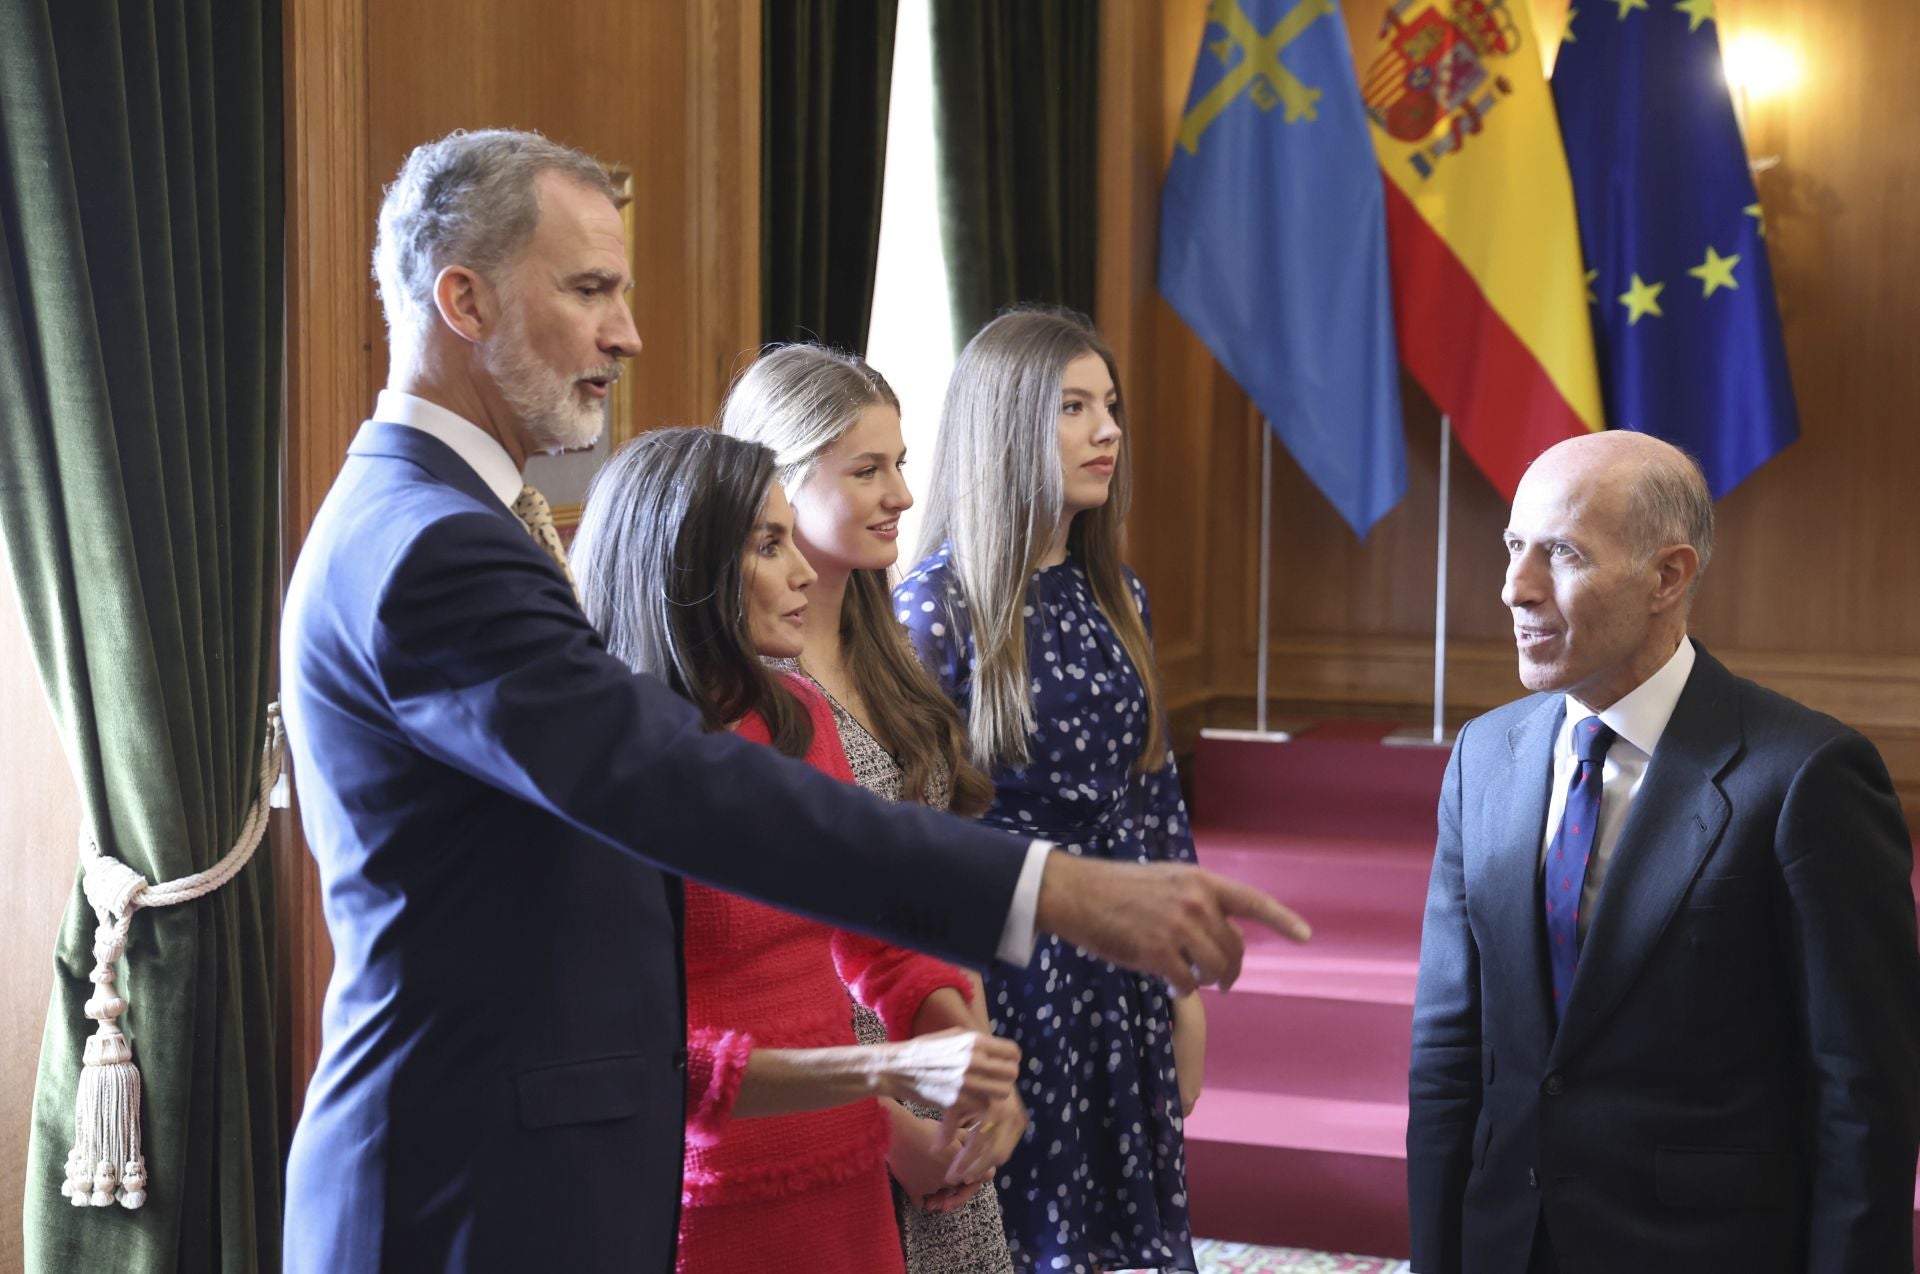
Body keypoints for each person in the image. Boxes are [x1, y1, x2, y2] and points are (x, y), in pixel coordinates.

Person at [279, 128, 1307, 1273]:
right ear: (462, 299)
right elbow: (674, 785)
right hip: (468, 1187)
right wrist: (1049, 886)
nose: (628, 331)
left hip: (533, 1164)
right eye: (589, 290)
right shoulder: (430, 545)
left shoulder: (447, 516)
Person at [1407, 430, 1920, 1274]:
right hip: (1508, 1240)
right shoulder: (1483, 757)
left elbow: (1862, 1095)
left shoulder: (1806, 777)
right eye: (1513, 547)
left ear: (1668, 576)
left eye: (1561, 554)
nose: (1514, 589)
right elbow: (1449, 1054)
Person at [568, 426, 1019, 1270]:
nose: (806, 571)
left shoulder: (800, 717)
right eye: (769, 545)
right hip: (708, 1203)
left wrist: (964, 1056)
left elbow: (883, 935)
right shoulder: (610, 764)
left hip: (846, 1186)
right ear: (684, 569)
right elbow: (659, 1061)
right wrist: (885, 1070)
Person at [897, 308, 1209, 1273]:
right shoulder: (935, 604)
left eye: (1109, 406)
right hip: (1007, 970)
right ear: (1005, 426)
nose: (1108, 430)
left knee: (1128, 1230)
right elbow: (913, 831)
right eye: (1074, 408)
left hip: (1118, 956)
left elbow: (1151, 795)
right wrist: (950, 1012)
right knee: (1031, 1235)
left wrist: (1183, 970)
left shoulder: (1119, 590)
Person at [720, 343, 1020, 1273]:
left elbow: (926, 900)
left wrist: (974, 1066)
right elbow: (753, 971)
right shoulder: (748, 691)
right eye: (867, 469)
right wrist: (892, 1129)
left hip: (933, 1048)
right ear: (776, 485)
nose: (900, 494)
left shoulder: (895, 656)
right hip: (827, 1090)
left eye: (901, 464)